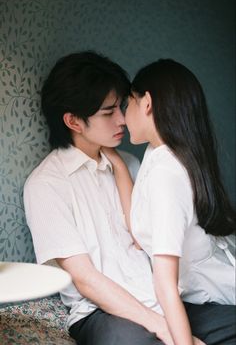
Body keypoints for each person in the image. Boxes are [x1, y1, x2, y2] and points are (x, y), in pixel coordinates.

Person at [23, 51, 180, 345]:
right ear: (73, 121)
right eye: (108, 113)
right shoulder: (46, 185)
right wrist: (161, 325)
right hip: (99, 313)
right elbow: (85, 280)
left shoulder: (130, 164)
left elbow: (150, 240)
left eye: (121, 106)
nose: (122, 119)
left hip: (157, 295)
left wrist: (120, 167)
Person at [104, 58, 236, 345]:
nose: (124, 118)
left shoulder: (167, 171)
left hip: (214, 298)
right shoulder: (156, 152)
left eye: (127, 104)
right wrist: (117, 163)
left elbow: (165, 286)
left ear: (146, 103)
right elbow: (140, 231)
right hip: (196, 295)